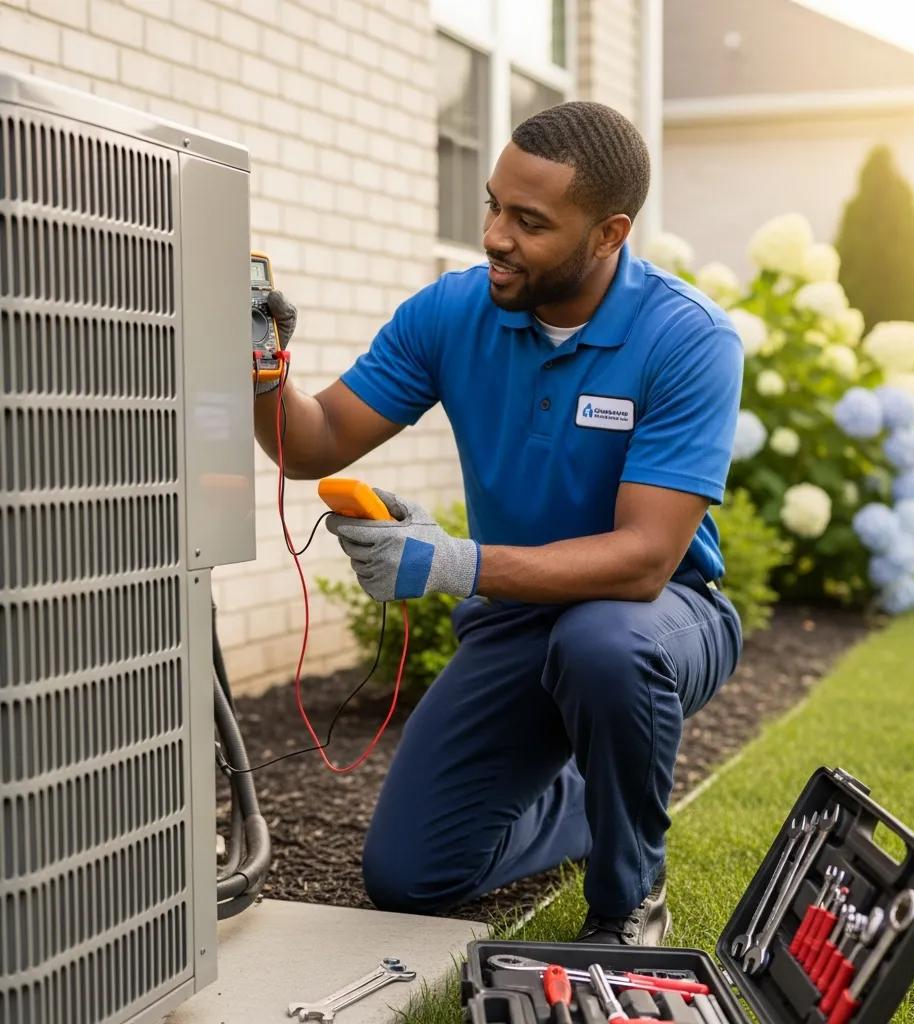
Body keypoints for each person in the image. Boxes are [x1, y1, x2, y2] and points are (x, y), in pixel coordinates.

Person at [254, 101, 744, 945]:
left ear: (607, 233)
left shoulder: (686, 338)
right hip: (518, 619)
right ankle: (594, 795)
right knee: (409, 876)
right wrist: (262, 366)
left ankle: (630, 899)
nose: (493, 236)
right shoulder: (452, 313)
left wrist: (453, 564)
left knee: (603, 645)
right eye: (492, 205)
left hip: (662, 617)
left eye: (528, 221)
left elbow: (644, 562)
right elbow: (317, 442)